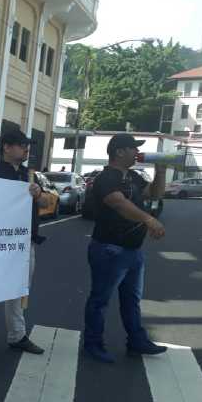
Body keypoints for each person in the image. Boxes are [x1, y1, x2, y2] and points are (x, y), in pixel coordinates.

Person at [83, 134, 167, 363]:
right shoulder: (106, 178)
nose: (136, 152)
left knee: (131, 300)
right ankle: (93, 343)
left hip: (132, 251)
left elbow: (155, 193)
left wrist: (160, 172)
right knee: (100, 300)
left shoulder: (133, 176)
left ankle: (137, 341)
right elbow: (118, 203)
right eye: (132, 148)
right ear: (119, 151)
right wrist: (149, 220)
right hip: (110, 249)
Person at [0, 130, 46, 359]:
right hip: (0, 242)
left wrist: (38, 193)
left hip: (24, 243)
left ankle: (17, 335)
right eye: (22, 145)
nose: (26, 149)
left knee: (19, 290)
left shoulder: (28, 175)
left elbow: (43, 201)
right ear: (7, 147)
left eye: (27, 145)